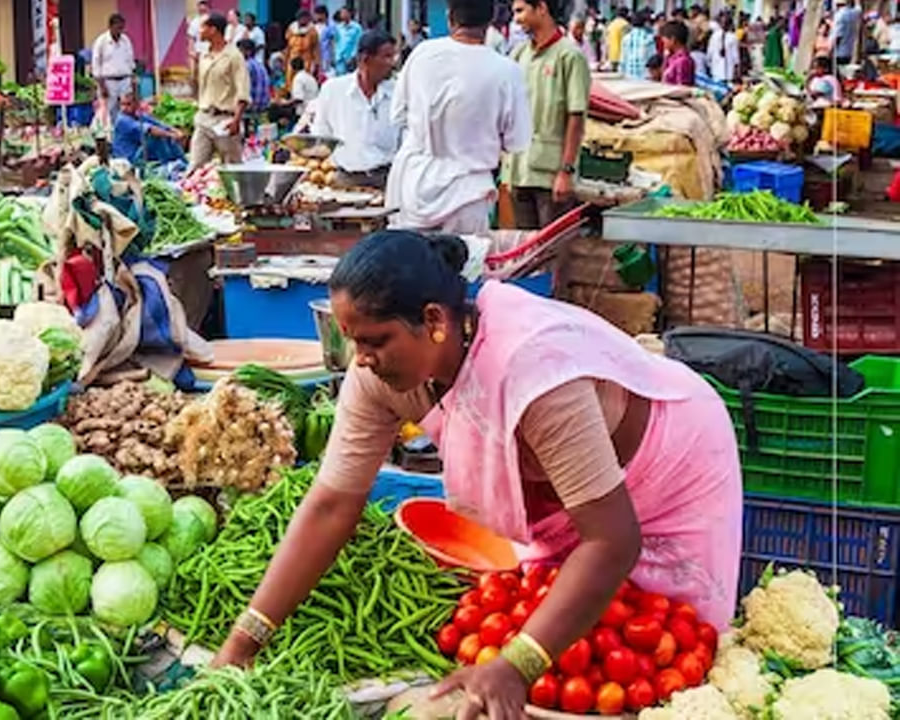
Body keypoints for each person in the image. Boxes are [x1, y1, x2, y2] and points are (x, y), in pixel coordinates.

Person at [210, 230, 743, 720]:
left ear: (436, 321)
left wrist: (515, 664)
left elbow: (611, 541)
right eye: (352, 340)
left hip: (669, 469)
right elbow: (332, 504)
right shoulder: (378, 376)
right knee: (571, 657)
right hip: (566, 501)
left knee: (669, 661)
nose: (361, 358)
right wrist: (243, 641)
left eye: (374, 341)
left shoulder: (532, 366)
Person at [386, 0, 531, 234]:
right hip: (467, 196)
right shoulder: (507, 71)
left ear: (449, 17)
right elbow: (517, 141)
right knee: (461, 267)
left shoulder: (422, 54)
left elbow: (398, 114)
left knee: (409, 266)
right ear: (490, 22)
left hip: (412, 189)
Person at [505, 0, 591, 230]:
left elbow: (576, 117)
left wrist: (566, 171)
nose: (516, 19)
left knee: (552, 251)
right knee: (525, 250)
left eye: (521, 11)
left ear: (541, 8)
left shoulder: (570, 56)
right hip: (518, 170)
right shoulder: (519, 54)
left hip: (551, 174)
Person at [312, 31, 400, 190]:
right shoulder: (333, 90)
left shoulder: (398, 92)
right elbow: (321, 135)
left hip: (389, 180)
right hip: (345, 180)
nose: (392, 63)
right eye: (387, 57)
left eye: (393, 56)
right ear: (365, 59)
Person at [189, 13, 249, 169]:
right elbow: (198, 85)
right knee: (195, 165)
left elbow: (243, 91)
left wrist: (236, 120)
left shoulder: (234, 56)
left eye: (203, 27)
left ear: (213, 30)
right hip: (204, 118)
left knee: (232, 168)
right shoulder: (204, 55)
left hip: (225, 120)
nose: (199, 31)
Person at [112, 93, 185, 165]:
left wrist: (176, 131)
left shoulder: (139, 115)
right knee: (157, 137)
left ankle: (183, 162)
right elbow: (150, 130)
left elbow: (160, 124)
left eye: (128, 104)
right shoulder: (122, 120)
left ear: (136, 105)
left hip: (140, 151)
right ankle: (167, 165)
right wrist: (171, 135)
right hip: (129, 157)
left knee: (167, 137)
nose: (124, 108)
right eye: (122, 104)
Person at [92, 14, 136, 127]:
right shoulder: (101, 42)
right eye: (118, 28)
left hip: (124, 79)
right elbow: (96, 65)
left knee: (126, 109)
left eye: (122, 28)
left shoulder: (126, 40)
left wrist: (133, 81)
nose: (120, 31)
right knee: (108, 110)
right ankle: (108, 135)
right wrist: (101, 86)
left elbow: (130, 62)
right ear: (110, 27)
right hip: (108, 81)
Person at [286, 10, 322, 84]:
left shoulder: (312, 31)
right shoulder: (291, 29)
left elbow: (316, 48)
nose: (304, 20)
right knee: (290, 79)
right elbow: (288, 46)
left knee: (305, 79)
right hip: (293, 58)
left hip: (306, 60)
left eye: (306, 18)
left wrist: (317, 63)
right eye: (302, 18)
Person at [619, 9, 657, 79]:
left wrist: (621, 73)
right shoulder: (649, 38)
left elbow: (623, 59)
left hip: (629, 75)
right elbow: (653, 59)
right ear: (645, 22)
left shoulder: (626, 38)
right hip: (645, 76)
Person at [660, 19, 696, 85]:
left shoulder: (683, 61)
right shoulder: (671, 58)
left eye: (664, 41)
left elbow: (683, 86)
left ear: (672, 40)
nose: (663, 44)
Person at [240, 39, 270, 114]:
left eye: (240, 50)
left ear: (248, 52)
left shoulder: (247, 66)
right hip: (263, 105)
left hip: (252, 107)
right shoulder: (260, 65)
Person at [708, 13, 740, 82]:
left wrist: (709, 63)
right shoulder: (732, 37)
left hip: (720, 70)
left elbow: (709, 52)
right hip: (724, 70)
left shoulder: (715, 36)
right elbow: (735, 56)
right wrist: (737, 67)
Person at [332, 8, 365, 75]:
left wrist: (353, 56)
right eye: (341, 13)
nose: (342, 15)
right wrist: (335, 53)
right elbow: (336, 41)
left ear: (349, 14)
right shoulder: (338, 27)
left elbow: (358, 42)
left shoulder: (357, 28)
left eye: (344, 13)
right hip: (340, 57)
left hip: (351, 58)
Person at [830, 0, 863, 65]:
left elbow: (838, 35)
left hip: (839, 51)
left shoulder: (839, 15)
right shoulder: (853, 13)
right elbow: (859, 9)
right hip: (849, 50)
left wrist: (831, 49)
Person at [314, 6, 335, 76]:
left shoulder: (331, 26)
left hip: (326, 56)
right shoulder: (314, 27)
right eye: (316, 14)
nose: (317, 16)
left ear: (324, 15)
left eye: (318, 14)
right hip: (315, 56)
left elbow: (333, 42)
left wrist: (332, 57)